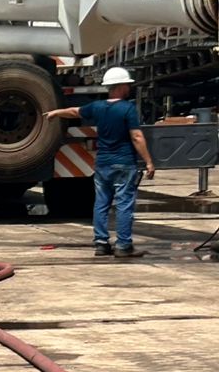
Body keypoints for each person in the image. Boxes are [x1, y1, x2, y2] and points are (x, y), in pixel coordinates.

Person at [44, 66, 155, 257]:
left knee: (101, 203)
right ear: (120, 86)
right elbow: (137, 136)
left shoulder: (97, 107)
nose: (129, 88)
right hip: (123, 163)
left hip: (102, 164)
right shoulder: (127, 109)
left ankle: (101, 244)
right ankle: (123, 246)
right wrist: (149, 162)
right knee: (124, 204)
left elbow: (74, 112)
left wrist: (56, 113)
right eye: (127, 85)